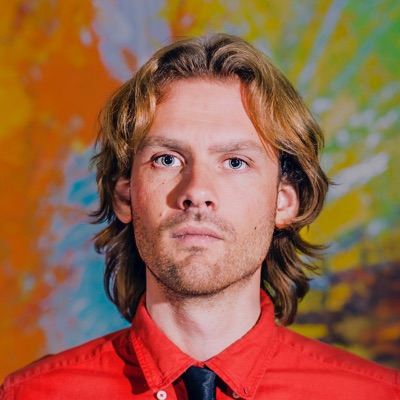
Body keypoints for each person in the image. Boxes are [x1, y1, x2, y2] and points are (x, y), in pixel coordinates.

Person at [1, 33, 398, 400]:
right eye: (167, 159)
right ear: (126, 196)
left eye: (235, 162)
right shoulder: (32, 394)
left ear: (283, 202)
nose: (196, 191)